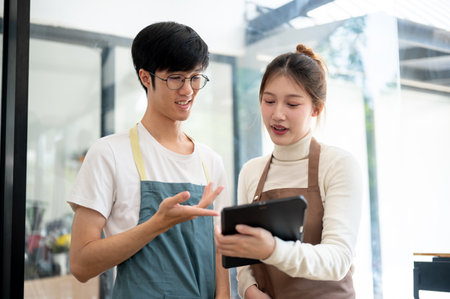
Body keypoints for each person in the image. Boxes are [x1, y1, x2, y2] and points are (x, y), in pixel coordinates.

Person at [68, 21, 231, 298]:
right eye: (176, 78)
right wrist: (158, 223)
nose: (188, 90)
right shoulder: (109, 153)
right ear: (146, 77)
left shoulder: (211, 161)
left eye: (195, 77)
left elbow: (221, 254)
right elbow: (81, 264)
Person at [215, 44, 362, 299]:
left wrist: (273, 249)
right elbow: (244, 261)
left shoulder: (338, 164)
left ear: (316, 109)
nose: (277, 114)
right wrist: (248, 289)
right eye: (269, 101)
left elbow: (338, 258)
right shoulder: (251, 172)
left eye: (292, 104)